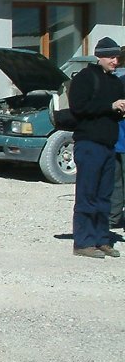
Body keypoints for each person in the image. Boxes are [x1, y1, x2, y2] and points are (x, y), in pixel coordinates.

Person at [68, 37, 125, 259]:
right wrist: (109, 106)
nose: (115, 61)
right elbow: (78, 108)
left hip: (108, 146)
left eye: (117, 57)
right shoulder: (84, 78)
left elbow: (112, 110)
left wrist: (119, 109)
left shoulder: (115, 82)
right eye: (111, 57)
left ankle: (102, 239)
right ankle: (83, 242)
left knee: (105, 196)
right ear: (99, 56)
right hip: (88, 144)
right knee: (87, 194)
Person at [110, 56, 125, 230]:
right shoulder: (119, 82)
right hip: (119, 140)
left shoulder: (117, 80)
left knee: (116, 183)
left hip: (118, 141)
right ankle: (113, 217)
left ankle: (113, 218)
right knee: (116, 182)